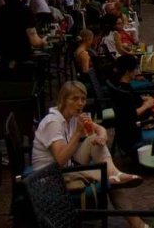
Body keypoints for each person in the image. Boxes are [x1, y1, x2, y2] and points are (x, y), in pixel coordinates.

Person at [33, 81, 145, 223]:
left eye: (83, 99)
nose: (80, 103)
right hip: (49, 178)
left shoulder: (73, 116)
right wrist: (78, 132)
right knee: (111, 182)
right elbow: (60, 160)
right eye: (75, 99)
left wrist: (102, 138)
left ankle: (114, 173)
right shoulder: (52, 122)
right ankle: (138, 224)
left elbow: (101, 130)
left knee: (94, 139)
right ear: (63, 100)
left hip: (67, 167)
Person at [0, 0, 44, 78]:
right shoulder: (26, 11)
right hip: (22, 64)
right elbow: (35, 42)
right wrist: (43, 42)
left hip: (3, 63)